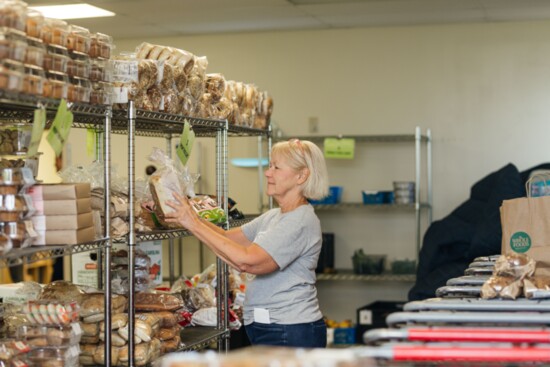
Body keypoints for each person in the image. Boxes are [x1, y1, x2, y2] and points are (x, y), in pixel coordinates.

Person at [165, 138, 329, 348]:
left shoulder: (300, 221)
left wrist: (193, 222)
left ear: (302, 175)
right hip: (271, 327)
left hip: (289, 329)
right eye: (270, 166)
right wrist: (189, 218)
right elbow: (227, 238)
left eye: (276, 167)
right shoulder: (275, 216)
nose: (268, 173)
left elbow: (249, 262)